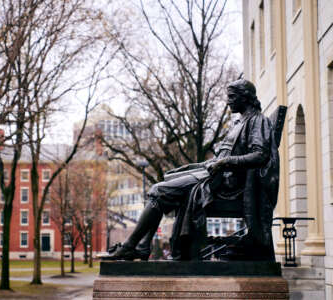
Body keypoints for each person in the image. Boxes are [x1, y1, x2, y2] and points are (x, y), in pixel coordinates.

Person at [102, 79, 279, 261]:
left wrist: (224, 162)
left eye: (232, 97)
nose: (228, 101)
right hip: (214, 176)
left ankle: (132, 247)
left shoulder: (258, 121)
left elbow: (260, 155)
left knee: (158, 191)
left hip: (227, 186)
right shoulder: (240, 122)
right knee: (166, 181)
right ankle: (141, 246)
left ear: (246, 98)